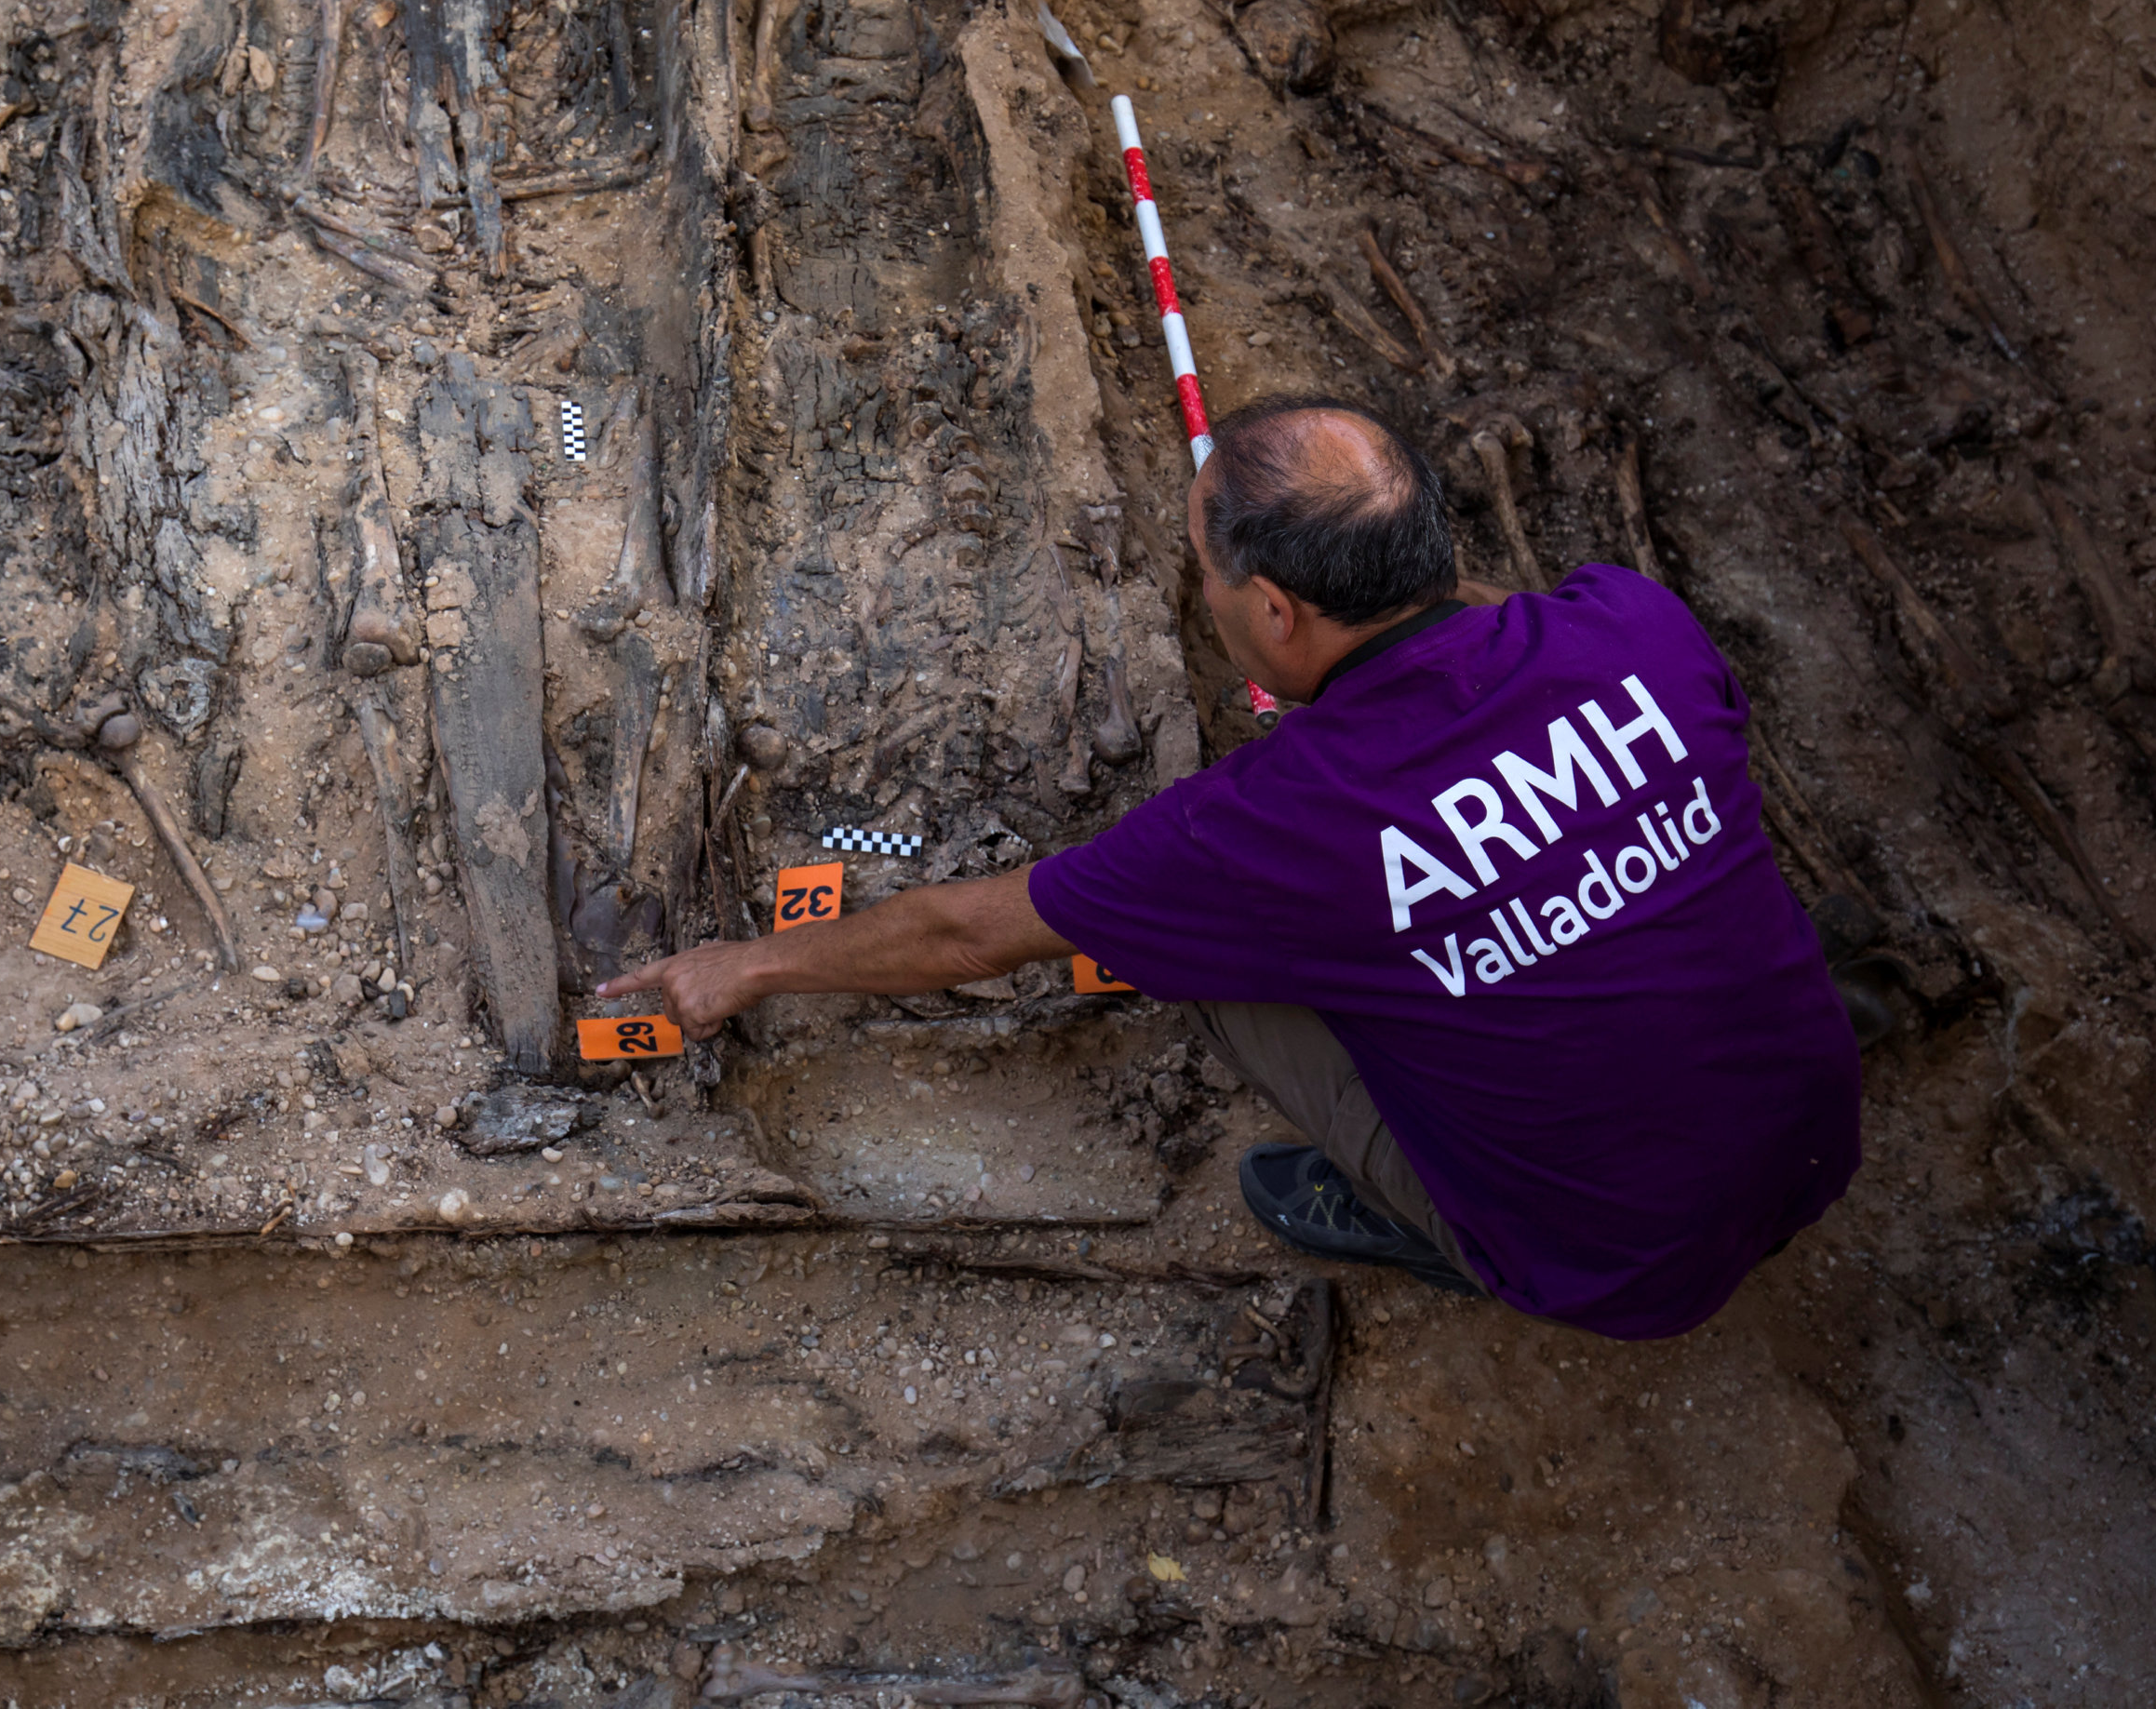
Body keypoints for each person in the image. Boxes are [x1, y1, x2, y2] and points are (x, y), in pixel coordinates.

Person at [596, 394, 1863, 1341]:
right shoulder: (1631, 623)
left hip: (1612, 1265)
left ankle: (1445, 1227)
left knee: (1194, 960)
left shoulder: (1268, 827)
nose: (1194, 587)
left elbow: (966, 935)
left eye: (1204, 571)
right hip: (1817, 1133)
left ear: (1277, 617)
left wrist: (747, 965)